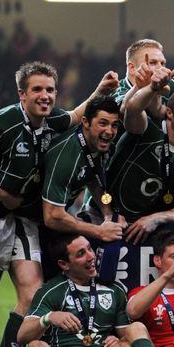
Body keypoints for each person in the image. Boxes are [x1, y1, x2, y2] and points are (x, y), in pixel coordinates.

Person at [0, 61, 118, 347]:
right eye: (37, 90)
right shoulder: (3, 123)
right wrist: (3, 195)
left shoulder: (58, 123)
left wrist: (100, 90)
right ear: (22, 94)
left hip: (19, 217)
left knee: (32, 293)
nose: (44, 96)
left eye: (50, 90)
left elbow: (76, 116)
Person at [16, 234, 162, 347]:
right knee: (36, 345)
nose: (91, 256)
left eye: (89, 248)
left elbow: (126, 334)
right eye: (81, 254)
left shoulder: (114, 289)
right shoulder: (51, 290)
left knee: (135, 329)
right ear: (64, 264)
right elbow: (22, 336)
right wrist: (49, 317)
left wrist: (118, 339)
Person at [107, 80, 174, 244]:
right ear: (169, 113)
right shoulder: (147, 128)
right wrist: (152, 87)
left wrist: (156, 218)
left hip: (145, 228)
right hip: (107, 217)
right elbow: (132, 109)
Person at [42, 95, 124, 242]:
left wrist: (108, 216)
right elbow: (52, 217)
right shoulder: (67, 157)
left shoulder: (101, 145)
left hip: (55, 217)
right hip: (33, 219)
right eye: (103, 123)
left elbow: (92, 179)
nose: (110, 131)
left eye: (114, 125)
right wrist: (99, 231)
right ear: (85, 122)